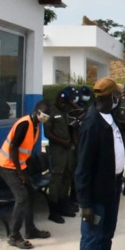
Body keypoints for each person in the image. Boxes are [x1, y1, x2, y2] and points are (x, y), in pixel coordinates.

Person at [74, 78, 125, 250]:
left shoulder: (110, 118)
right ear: (111, 97)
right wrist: (85, 204)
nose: (120, 98)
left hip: (112, 188)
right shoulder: (92, 124)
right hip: (96, 196)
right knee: (91, 242)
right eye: (118, 95)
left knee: (106, 237)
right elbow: (82, 168)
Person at [0, 100, 52, 249]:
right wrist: (20, 172)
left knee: (30, 193)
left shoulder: (35, 126)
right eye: (44, 115)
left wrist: (23, 170)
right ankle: (14, 236)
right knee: (22, 197)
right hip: (7, 165)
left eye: (48, 116)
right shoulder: (24, 124)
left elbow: (24, 151)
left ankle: (30, 229)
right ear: (37, 112)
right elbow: (13, 147)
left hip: (18, 165)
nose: (45, 118)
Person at [44, 87, 77, 224]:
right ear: (58, 98)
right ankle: (54, 210)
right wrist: (62, 142)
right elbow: (47, 133)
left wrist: (72, 142)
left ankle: (63, 203)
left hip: (68, 148)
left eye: (66, 102)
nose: (63, 104)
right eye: (62, 101)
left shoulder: (67, 111)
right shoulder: (50, 111)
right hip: (57, 148)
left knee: (67, 175)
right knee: (57, 177)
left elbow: (75, 122)